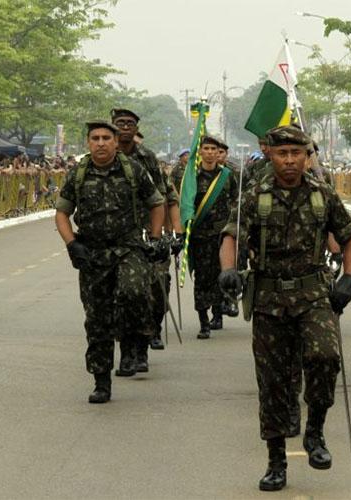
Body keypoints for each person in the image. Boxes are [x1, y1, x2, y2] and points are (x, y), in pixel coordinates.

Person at [217, 125, 351, 492]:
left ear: (306, 156)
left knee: (325, 356)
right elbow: (231, 236)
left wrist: (349, 277)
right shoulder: (255, 196)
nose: (290, 160)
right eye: (282, 153)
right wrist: (228, 269)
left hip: (314, 295)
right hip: (268, 298)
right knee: (273, 381)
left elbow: (350, 237)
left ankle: (315, 430)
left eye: (297, 153)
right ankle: (276, 460)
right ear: (271, 155)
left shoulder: (322, 194)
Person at [54, 120, 167, 404]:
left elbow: (157, 203)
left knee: (134, 291)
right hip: (93, 254)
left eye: (107, 138)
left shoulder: (133, 170)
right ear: (88, 143)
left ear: (116, 142)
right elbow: (61, 213)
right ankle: (101, 381)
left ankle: (134, 340)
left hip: (128, 247)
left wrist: (154, 239)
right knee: (97, 321)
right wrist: (71, 245)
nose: (101, 143)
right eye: (96, 138)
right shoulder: (78, 173)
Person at [111, 108, 184, 363]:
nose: (125, 127)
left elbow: (166, 196)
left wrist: (174, 233)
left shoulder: (147, 158)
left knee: (155, 288)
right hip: (117, 237)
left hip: (149, 234)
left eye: (130, 123)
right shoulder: (104, 157)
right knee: (123, 295)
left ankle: (144, 341)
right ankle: (127, 349)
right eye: (120, 123)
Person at [183, 135, 239, 339]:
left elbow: (236, 201)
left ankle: (218, 315)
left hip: (221, 237)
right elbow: (185, 204)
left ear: (218, 153)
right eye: (205, 149)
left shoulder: (227, 176)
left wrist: (233, 229)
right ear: (200, 152)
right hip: (199, 236)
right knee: (201, 279)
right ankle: (203, 322)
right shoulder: (192, 177)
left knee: (221, 276)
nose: (209, 152)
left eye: (213, 149)